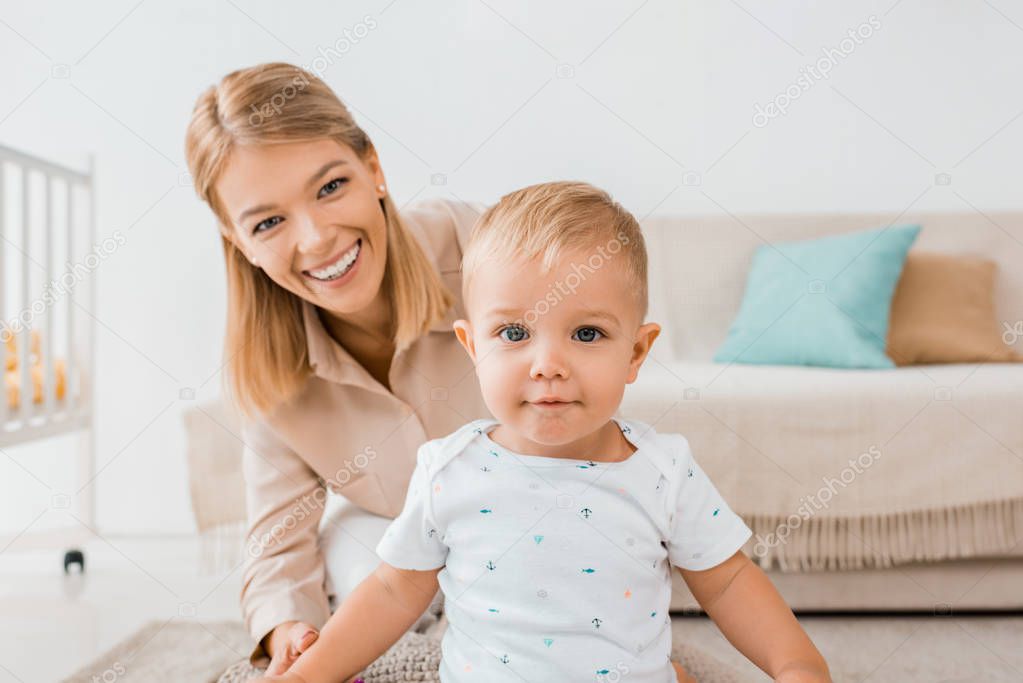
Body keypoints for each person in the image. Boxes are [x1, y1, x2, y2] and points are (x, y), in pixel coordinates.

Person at [184, 64, 698, 681]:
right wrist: (287, 629)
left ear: (374, 168)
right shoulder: (267, 368)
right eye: (269, 222)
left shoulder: (480, 251)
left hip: (547, 511)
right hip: (403, 543)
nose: (317, 239)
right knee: (354, 551)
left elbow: (591, 353)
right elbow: (279, 537)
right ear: (235, 238)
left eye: (329, 187)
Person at [251, 181, 832, 682]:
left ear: (636, 352)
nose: (547, 364)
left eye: (586, 335)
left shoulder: (662, 472)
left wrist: (796, 666)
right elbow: (392, 591)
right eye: (513, 334)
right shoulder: (449, 469)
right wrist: (310, 671)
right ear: (472, 347)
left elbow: (728, 581)